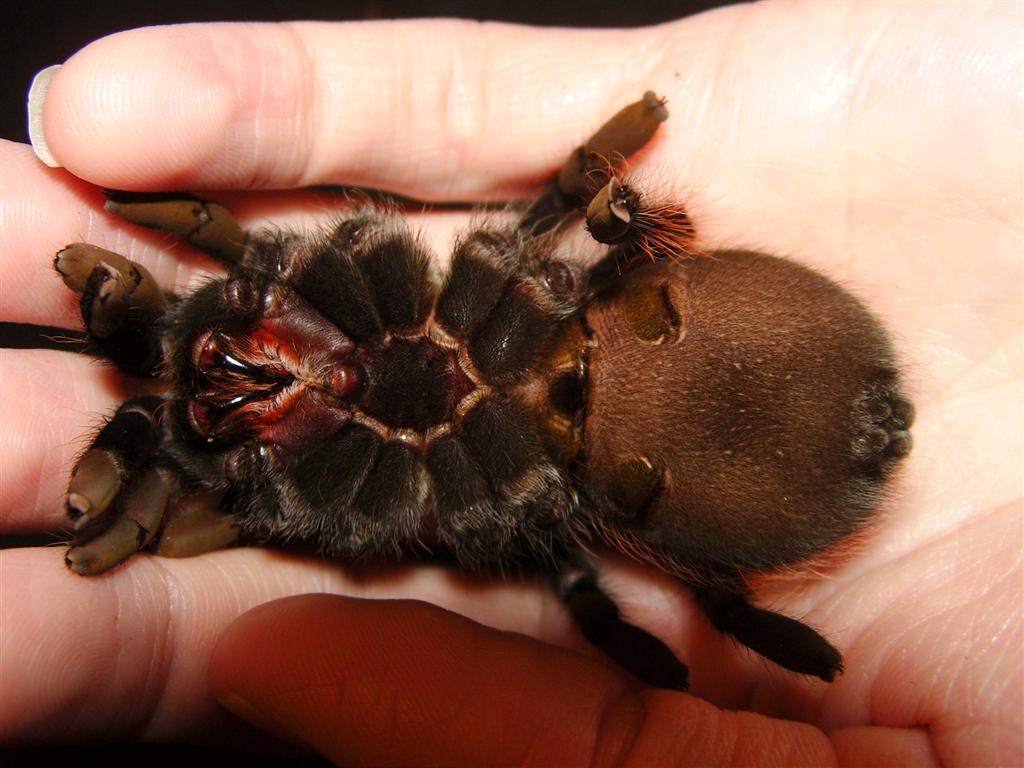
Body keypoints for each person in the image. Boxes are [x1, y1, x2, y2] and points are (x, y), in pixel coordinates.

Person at [2, 3, 1020, 765]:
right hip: (605, 435)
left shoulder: (393, 337)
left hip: (652, 372)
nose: (237, 381)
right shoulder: (354, 488)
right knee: (562, 512)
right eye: (236, 416)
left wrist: (612, 204)